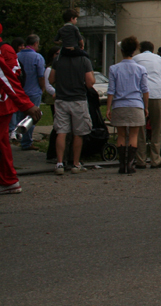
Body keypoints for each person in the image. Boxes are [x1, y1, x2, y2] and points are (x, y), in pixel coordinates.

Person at [49, 44, 95, 174]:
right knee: (78, 133)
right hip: (78, 100)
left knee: (62, 131)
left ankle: (59, 163)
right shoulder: (84, 60)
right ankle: (75, 163)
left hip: (61, 99)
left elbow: (51, 79)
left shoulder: (57, 60)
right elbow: (90, 83)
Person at [0, 50, 42, 194]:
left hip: (3, 103)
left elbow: (7, 76)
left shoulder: (6, 50)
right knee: (2, 143)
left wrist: (25, 104)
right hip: (4, 102)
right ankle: (8, 180)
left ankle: (8, 180)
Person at [107, 37, 150, 175]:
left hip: (119, 104)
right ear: (134, 51)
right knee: (133, 135)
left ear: (121, 51)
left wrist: (108, 108)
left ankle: (122, 164)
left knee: (121, 134)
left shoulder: (114, 68)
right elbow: (145, 90)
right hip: (136, 104)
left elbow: (111, 90)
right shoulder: (140, 69)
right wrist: (146, 106)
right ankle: (130, 164)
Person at [133, 41, 161, 169]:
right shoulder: (159, 59)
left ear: (140, 49)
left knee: (140, 128)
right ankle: (155, 159)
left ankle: (140, 159)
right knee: (156, 127)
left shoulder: (136, 59)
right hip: (158, 93)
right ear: (153, 49)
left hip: (140, 94)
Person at [16, 35, 45, 151]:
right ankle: (27, 142)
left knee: (19, 116)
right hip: (33, 91)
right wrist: (42, 88)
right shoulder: (37, 57)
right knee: (32, 118)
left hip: (19, 92)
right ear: (36, 43)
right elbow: (41, 76)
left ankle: (17, 136)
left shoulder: (17, 56)